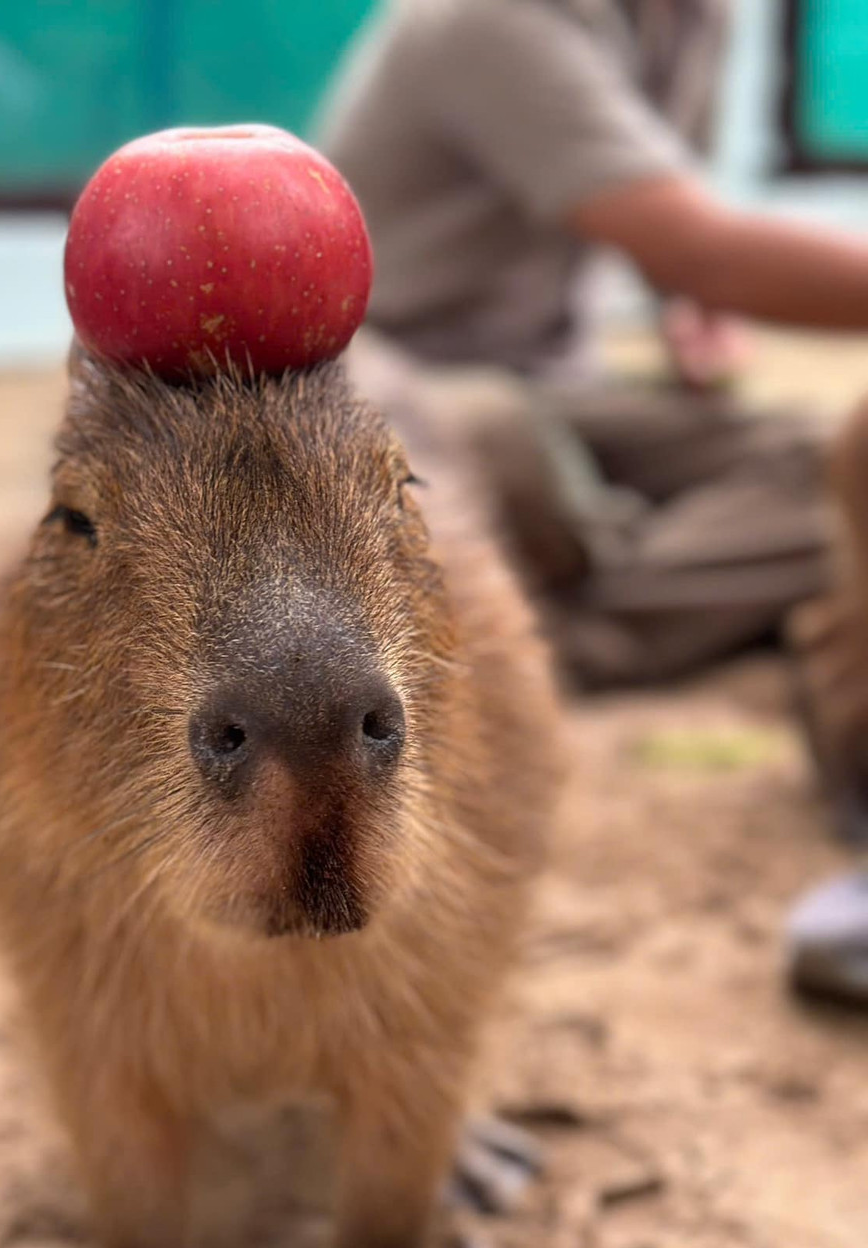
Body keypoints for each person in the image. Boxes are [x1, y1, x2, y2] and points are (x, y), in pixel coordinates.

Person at [317, 0, 868, 1005]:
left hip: (558, 378)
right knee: (495, 456)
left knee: (823, 462)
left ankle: (561, 624)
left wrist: (684, 313)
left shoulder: (694, 18)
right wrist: (692, 272)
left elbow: (660, 203)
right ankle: (549, 611)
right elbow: (697, 243)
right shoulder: (483, 20)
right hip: (400, 374)